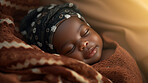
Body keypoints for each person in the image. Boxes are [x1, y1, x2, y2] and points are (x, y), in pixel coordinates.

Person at [20, 3, 142, 82]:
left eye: (85, 33)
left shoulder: (112, 42)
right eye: (70, 49)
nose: (83, 44)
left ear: (90, 26)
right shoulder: (84, 74)